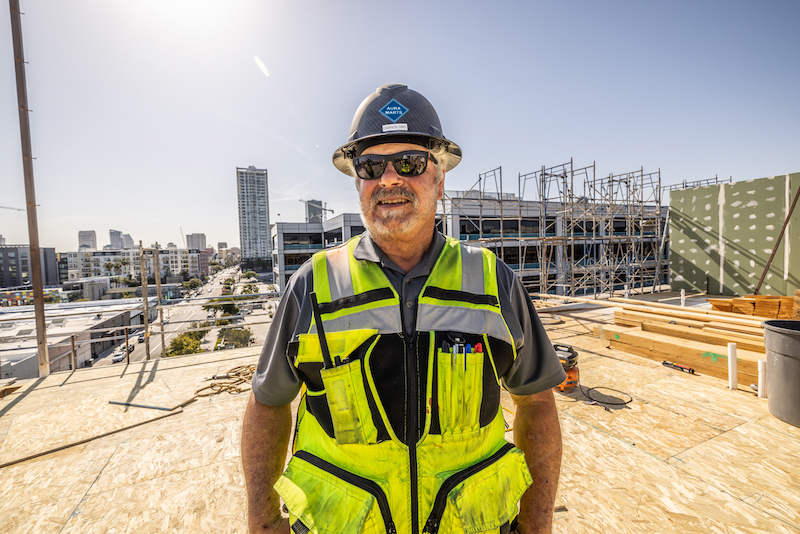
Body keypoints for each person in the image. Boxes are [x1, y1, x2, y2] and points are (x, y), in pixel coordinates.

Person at [241, 84, 566, 534]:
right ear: (358, 182)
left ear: (439, 176)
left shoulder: (493, 282)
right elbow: (268, 406)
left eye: (410, 163)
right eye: (371, 165)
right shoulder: (312, 287)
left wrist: (536, 524)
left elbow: (537, 404)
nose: (389, 179)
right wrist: (261, 521)